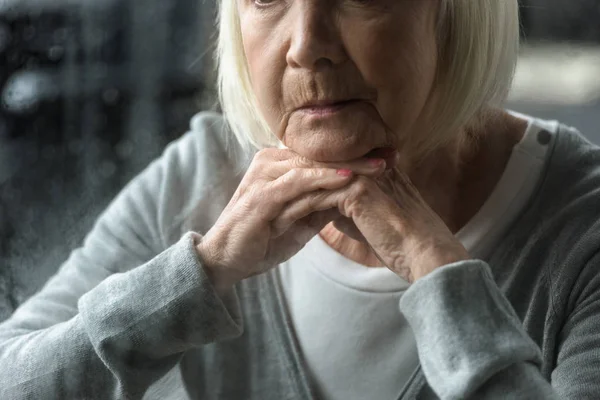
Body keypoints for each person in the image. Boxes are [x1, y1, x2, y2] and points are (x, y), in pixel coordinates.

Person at [1, 0, 599, 399]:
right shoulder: (200, 177)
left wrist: (438, 269)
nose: (307, 46)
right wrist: (199, 275)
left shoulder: (583, 221)